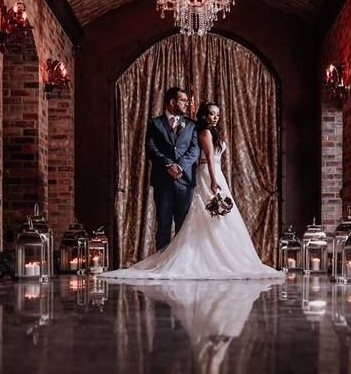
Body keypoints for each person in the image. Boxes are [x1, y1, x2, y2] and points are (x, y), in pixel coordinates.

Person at [102, 101, 280, 280]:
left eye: (218, 114)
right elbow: (209, 157)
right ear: (204, 115)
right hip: (209, 173)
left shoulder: (211, 131)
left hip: (216, 172)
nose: (216, 117)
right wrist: (213, 180)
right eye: (212, 114)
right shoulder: (204, 131)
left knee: (217, 217)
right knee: (204, 214)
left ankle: (216, 258)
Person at [143, 86, 200, 252]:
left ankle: (182, 264)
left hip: (185, 182)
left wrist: (180, 166)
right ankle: (162, 263)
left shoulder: (191, 125)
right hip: (163, 181)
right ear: (172, 102)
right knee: (163, 226)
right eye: (183, 101)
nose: (186, 104)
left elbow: (194, 149)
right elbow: (151, 148)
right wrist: (168, 164)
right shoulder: (155, 123)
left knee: (183, 227)